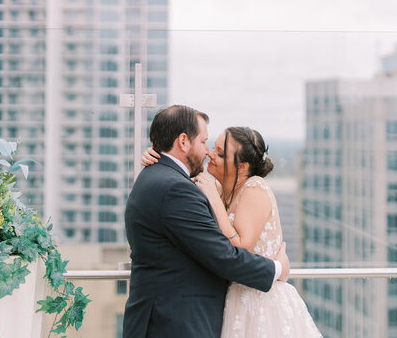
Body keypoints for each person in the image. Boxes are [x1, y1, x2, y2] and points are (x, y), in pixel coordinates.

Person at [123, 105, 291, 338]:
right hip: (175, 322)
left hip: (178, 317)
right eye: (204, 142)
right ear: (183, 142)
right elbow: (223, 257)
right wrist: (278, 268)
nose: (208, 152)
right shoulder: (176, 188)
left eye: (218, 152)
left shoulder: (157, 176)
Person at [142, 126, 322, 338]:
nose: (210, 154)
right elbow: (180, 171)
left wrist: (212, 196)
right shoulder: (221, 190)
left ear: (242, 166)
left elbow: (240, 245)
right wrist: (151, 155)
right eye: (212, 147)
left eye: (219, 153)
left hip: (262, 303)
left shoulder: (255, 188)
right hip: (235, 301)